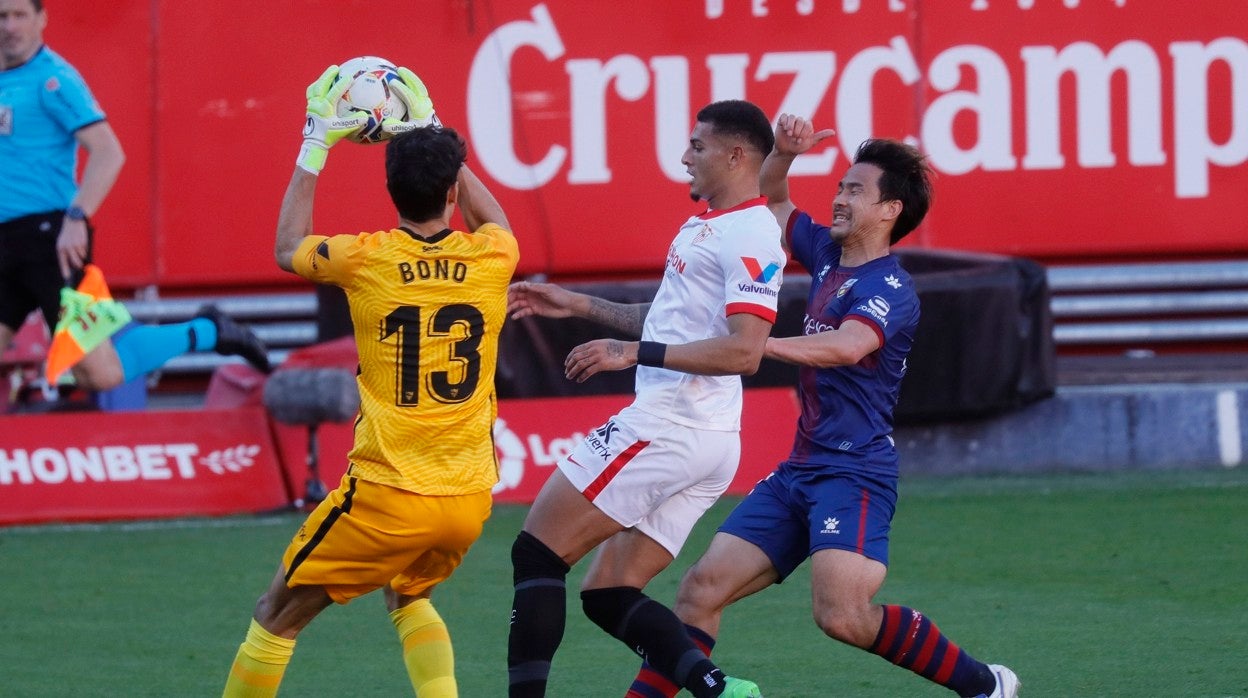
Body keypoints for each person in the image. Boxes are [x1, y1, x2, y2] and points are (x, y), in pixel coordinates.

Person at [626, 114, 1020, 698]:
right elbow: (773, 201)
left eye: (855, 190)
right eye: (839, 186)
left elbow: (847, 345)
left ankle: (985, 684)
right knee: (700, 590)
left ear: (889, 211)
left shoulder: (890, 289)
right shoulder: (829, 257)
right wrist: (785, 154)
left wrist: (754, 345)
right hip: (800, 470)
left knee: (842, 616)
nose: (838, 197)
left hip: (854, 473)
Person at [221, 64, 517, 698]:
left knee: (275, 615)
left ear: (390, 190)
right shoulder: (494, 256)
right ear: (452, 192)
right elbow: (494, 220)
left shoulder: (366, 258)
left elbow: (288, 246)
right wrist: (434, 131)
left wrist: (315, 141)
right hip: (468, 498)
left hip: (388, 494)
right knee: (409, 594)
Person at [505, 100, 784, 698]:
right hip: (704, 436)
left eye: (698, 146)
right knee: (607, 593)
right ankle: (718, 690)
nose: (684, 157)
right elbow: (667, 321)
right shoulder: (709, 224)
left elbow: (745, 351)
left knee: (536, 555)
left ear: (736, 156)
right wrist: (578, 305)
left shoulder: (752, 234)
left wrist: (634, 353)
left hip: (670, 426)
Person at [0, 0, 269, 397]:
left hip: (50, 243)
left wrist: (76, 217)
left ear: (42, 19)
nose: (9, 26)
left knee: (100, 374)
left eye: (19, 15)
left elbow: (108, 152)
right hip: (5, 244)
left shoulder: (54, 79)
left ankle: (208, 329)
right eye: (2, 16)